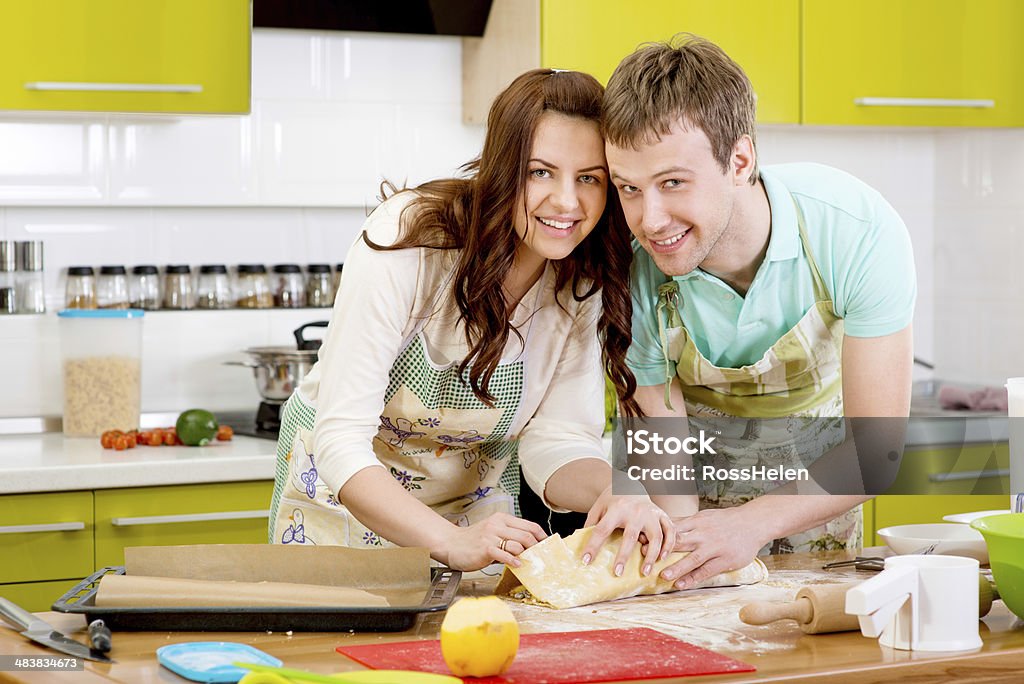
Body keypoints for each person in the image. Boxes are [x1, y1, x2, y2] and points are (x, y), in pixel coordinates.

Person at [268, 69, 675, 574]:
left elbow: (559, 441)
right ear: (504, 168)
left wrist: (619, 492)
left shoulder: (580, 280)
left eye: (589, 178)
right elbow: (340, 441)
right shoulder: (411, 239)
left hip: (477, 528)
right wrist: (447, 542)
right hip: (339, 517)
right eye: (540, 172)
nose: (568, 202)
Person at [583, 35, 916, 587]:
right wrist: (687, 560)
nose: (650, 218)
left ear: (739, 160)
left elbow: (877, 447)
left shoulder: (853, 231)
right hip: (693, 499)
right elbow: (661, 444)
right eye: (629, 189)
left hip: (820, 495)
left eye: (672, 183)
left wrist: (751, 523)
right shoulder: (630, 266)